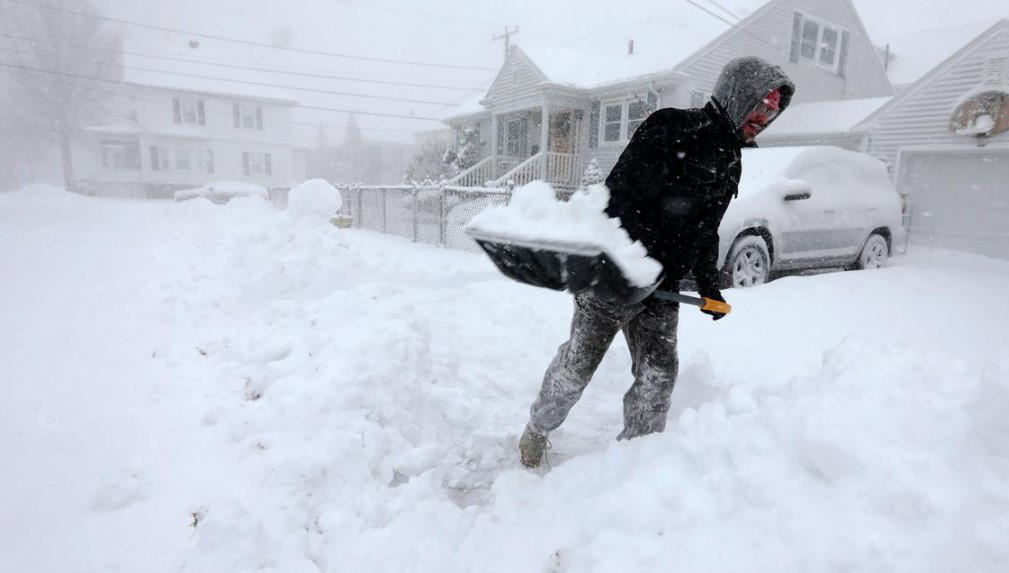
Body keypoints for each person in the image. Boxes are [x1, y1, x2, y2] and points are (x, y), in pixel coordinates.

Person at [519, 57, 795, 468]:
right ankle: (537, 431)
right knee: (577, 367)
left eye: (773, 109)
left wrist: (708, 286)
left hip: (661, 290)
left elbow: (706, 230)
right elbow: (617, 197)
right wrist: (620, 262)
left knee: (657, 378)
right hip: (612, 278)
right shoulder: (672, 127)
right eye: (762, 103)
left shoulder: (731, 160)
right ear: (738, 95)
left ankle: (636, 462)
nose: (765, 115)